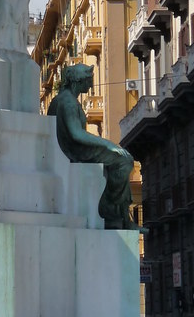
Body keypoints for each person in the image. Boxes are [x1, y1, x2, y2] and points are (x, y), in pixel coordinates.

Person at [49, 63, 138, 230]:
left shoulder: (64, 99)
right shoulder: (68, 102)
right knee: (124, 161)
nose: (91, 85)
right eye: (89, 81)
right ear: (79, 81)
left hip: (70, 149)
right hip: (75, 151)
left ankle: (123, 218)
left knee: (121, 159)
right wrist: (108, 144)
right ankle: (110, 211)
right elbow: (76, 133)